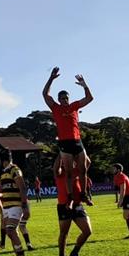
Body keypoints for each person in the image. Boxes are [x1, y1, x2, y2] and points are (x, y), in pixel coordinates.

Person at [42, 67, 95, 206]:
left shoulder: (74, 106)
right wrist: (51, 79)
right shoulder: (56, 108)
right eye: (62, 98)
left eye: (66, 98)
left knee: (83, 169)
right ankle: (70, 197)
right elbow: (45, 94)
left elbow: (90, 98)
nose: (65, 100)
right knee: (69, 172)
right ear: (59, 100)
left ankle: (84, 195)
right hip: (65, 143)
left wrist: (84, 85)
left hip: (77, 141)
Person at [0, 152, 33, 256]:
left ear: (2, 159)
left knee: (10, 230)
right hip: (7, 207)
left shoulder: (14, 169)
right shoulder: (3, 173)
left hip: (15, 205)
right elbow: (3, 191)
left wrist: (24, 205)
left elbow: (22, 187)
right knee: (11, 233)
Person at [55, 169, 92, 256]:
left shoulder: (76, 170)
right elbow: (56, 166)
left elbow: (86, 162)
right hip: (64, 205)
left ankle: (75, 252)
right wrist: (62, 154)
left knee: (87, 231)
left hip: (77, 205)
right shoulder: (59, 172)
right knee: (64, 233)